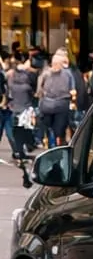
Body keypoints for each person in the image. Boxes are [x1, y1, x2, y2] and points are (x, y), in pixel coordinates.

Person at [6, 58, 38, 187]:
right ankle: (28, 146)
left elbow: (9, 95)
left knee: (17, 133)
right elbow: (32, 96)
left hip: (15, 110)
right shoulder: (27, 86)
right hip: (25, 110)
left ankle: (19, 153)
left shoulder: (12, 85)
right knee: (27, 130)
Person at [37, 49, 75, 148]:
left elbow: (39, 90)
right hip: (61, 106)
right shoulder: (67, 74)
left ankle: (51, 146)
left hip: (48, 106)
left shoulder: (45, 73)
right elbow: (73, 90)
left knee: (50, 129)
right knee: (59, 130)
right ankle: (56, 147)